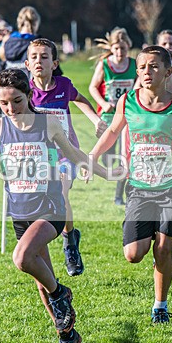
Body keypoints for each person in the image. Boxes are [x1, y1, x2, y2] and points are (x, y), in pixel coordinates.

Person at [0, 68, 90, 343]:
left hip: (50, 208)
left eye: (17, 101)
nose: (11, 108)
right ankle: (67, 338)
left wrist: (100, 168)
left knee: (22, 258)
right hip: (21, 212)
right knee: (40, 281)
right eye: (4, 103)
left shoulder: (46, 123)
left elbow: (72, 152)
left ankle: (61, 293)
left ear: (28, 95)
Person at [89, 45, 172, 324]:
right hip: (139, 186)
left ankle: (160, 306)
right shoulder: (128, 100)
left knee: (163, 250)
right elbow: (114, 131)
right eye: (142, 67)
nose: (147, 72)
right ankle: (150, 233)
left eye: (153, 66)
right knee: (133, 254)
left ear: (169, 70)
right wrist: (92, 156)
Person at [25, 38, 107, 276]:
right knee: (42, 204)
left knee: (61, 193)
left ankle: (69, 243)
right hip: (38, 157)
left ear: (54, 63)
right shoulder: (25, 92)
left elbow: (80, 100)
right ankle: (64, 235)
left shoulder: (63, 85)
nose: (39, 61)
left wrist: (95, 120)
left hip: (66, 154)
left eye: (44, 57)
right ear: (27, 63)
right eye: (34, 57)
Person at [88, 27, 136, 206]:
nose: (120, 52)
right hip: (108, 116)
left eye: (123, 48)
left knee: (126, 156)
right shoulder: (105, 65)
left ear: (128, 47)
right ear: (112, 48)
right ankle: (114, 175)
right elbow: (93, 87)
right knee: (109, 159)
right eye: (116, 48)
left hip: (127, 116)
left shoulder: (133, 65)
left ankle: (119, 195)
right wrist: (104, 103)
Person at [0, 6, 47, 74]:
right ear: (36, 23)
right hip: (29, 82)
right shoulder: (38, 43)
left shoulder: (7, 41)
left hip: (10, 81)